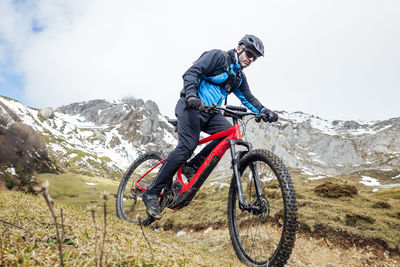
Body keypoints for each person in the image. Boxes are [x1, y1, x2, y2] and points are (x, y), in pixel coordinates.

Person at [143, 34, 278, 219]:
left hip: (212, 113)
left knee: (230, 134)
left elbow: (248, 97)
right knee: (187, 147)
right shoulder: (218, 57)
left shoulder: (238, 77)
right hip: (191, 106)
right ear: (239, 48)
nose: (251, 59)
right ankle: (151, 192)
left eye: (254, 58)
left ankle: (192, 166)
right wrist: (191, 95)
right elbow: (191, 72)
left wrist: (264, 110)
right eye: (249, 54)